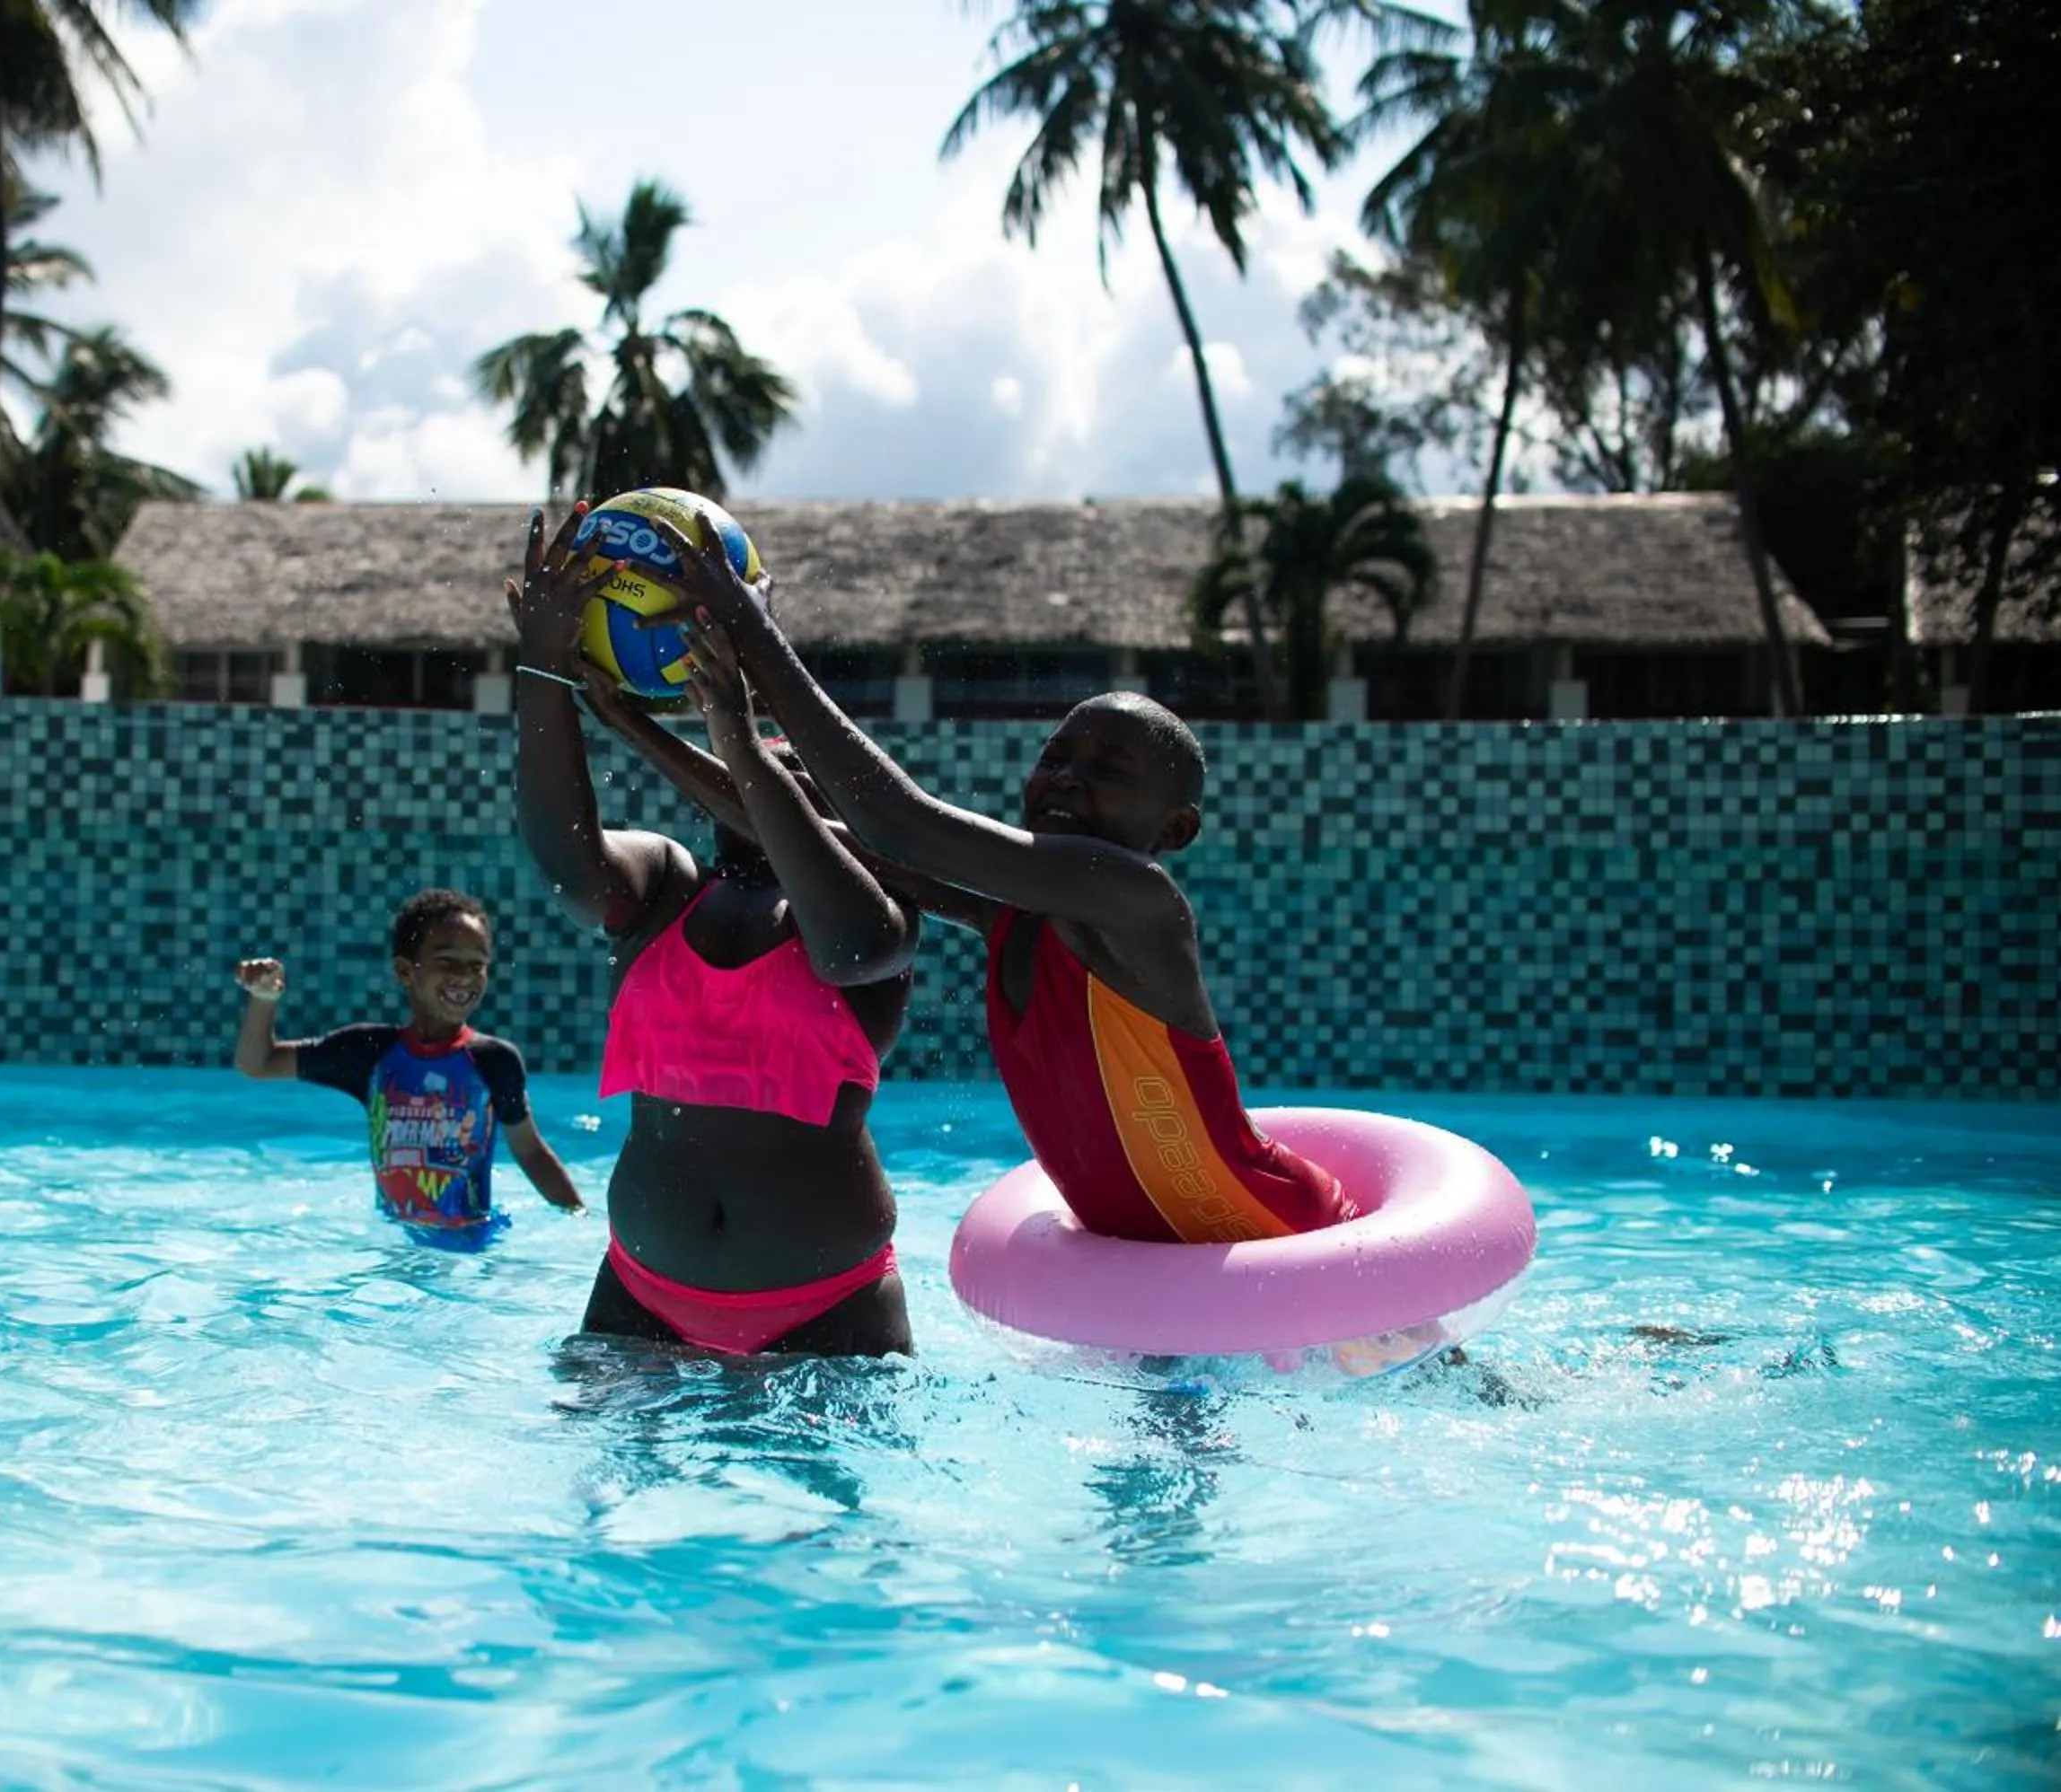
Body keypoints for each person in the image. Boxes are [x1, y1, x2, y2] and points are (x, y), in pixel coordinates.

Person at [656, 524, 1355, 1247]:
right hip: (1155, 1259)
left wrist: (754, 635)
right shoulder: (1015, 920)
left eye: (1109, 771)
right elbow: (807, 835)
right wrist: (627, 720)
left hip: (1282, 1233)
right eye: (1056, 757)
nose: (1068, 778)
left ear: (1175, 830)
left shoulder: (1142, 900)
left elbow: (899, 827)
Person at [506, 503, 920, 1356]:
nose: (770, 766)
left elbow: (848, 948)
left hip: (830, 1312)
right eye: (763, 758)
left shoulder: (880, 909)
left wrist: (737, 736)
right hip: (638, 1293)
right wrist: (542, 669)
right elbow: (567, 865)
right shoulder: (665, 888)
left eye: (791, 769)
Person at [234, 887, 584, 1250]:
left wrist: (578, 1218)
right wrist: (264, 1000)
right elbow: (259, 1063)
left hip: (471, 1242)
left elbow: (530, 1151)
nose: (464, 976)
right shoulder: (369, 1053)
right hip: (395, 1241)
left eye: (476, 964)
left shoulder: (494, 1060)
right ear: (405, 971)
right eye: (447, 961)